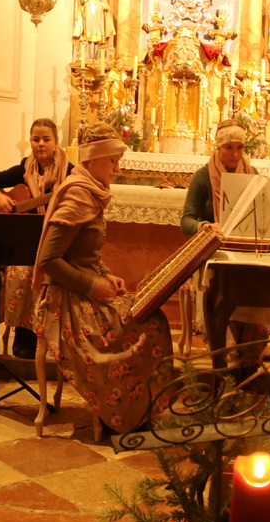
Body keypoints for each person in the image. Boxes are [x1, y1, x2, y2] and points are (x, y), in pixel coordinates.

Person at [32, 122, 172, 434]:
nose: (117, 168)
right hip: (66, 300)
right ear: (93, 159)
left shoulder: (89, 191)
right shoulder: (78, 194)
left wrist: (107, 274)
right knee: (149, 324)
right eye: (112, 161)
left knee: (151, 316)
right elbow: (49, 260)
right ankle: (122, 412)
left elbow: (85, 254)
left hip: (82, 291)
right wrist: (94, 286)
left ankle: (135, 410)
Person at [180, 119, 270, 363]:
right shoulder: (202, 177)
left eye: (240, 147)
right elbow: (186, 220)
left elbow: (263, 212)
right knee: (219, 284)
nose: (235, 154)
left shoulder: (253, 175)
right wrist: (204, 226)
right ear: (218, 147)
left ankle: (250, 339)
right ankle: (225, 340)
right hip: (213, 250)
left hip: (244, 249)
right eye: (228, 148)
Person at [0, 118, 73, 359]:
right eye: (36, 139)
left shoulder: (70, 172)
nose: (40, 144)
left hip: (56, 242)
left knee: (40, 270)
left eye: (46, 139)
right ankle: (24, 334)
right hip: (26, 242)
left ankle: (49, 335)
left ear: (56, 142)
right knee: (18, 272)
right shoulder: (25, 168)